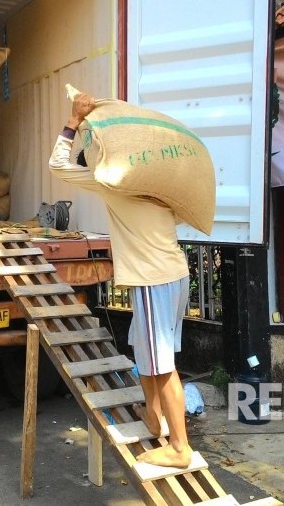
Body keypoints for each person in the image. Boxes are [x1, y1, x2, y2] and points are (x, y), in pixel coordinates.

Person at [49, 91, 193, 469]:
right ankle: (153, 415)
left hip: (152, 280)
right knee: (145, 351)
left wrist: (73, 122)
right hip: (175, 275)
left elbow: (58, 166)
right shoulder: (160, 184)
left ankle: (179, 448)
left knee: (163, 366)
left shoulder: (115, 182)